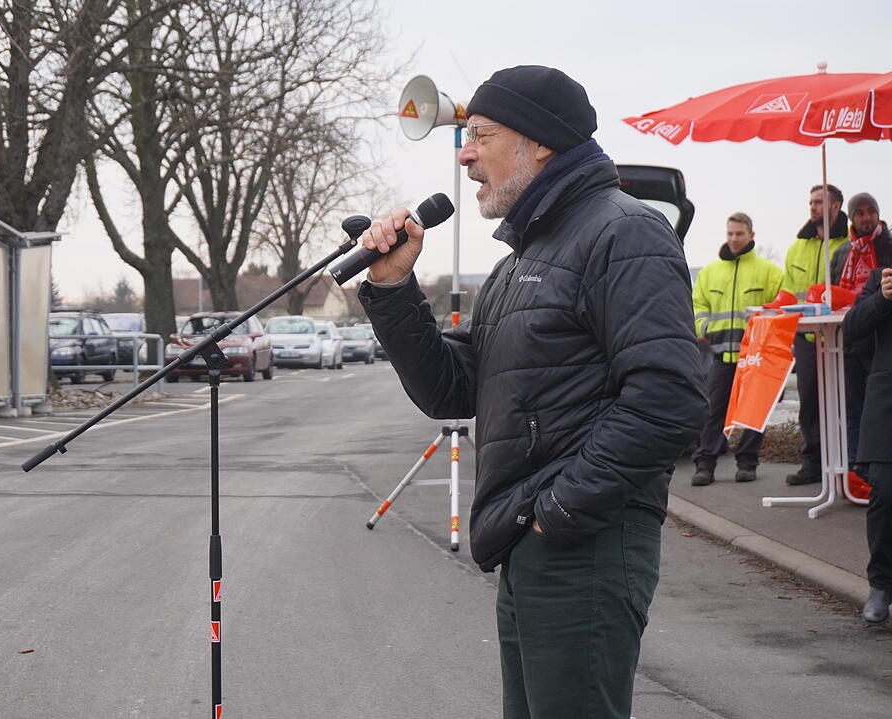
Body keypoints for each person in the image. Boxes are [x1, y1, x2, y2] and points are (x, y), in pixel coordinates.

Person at [356, 65, 706, 718]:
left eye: (479, 134)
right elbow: (453, 387)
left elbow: (668, 397)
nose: (463, 153)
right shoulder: (524, 259)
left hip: (583, 546)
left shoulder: (623, 233)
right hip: (534, 544)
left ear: (539, 142)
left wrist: (557, 510)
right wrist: (392, 287)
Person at [690, 213, 783, 485]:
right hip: (721, 355)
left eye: (739, 234)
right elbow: (698, 307)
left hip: (755, 357)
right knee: (713, 411)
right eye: (730, 233)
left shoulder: (770, 272)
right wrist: (705, 328)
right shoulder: (710, 273)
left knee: (755, 413)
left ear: (751, 235)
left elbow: (779, 309)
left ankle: (747, 464)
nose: (733, 238)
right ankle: (704, 465)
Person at [782, 184, 850, 485]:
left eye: (820, 202)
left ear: (836, 206)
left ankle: (850, 463)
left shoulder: (850, 243)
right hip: (807, 339)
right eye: (811, 202)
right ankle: (813, 463)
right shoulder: (797, 247)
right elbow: (786, 293)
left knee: (847, 402)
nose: (813, 207)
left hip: (844, 338)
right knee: (809, 403)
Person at [842, 265, 892, 624]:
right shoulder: (881, 278)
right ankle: (880, 585)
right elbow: (853, 327)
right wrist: (882, 298)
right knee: (885, 492)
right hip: (886, 398)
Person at [830, 193, 892, 469]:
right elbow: (833, 289)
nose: (867, 217)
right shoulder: (843, 251)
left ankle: (875, 468)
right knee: (853, 407)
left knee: (878, 408)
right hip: (852, 334)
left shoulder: (888, 245)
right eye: (861, 213)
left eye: (871, 211)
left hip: (879, 342)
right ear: (852, 217)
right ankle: (856, 466)